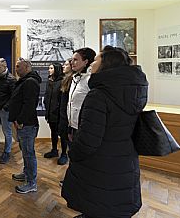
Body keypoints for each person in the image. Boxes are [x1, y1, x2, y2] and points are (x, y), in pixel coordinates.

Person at [61, 46, 148, 218]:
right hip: (124, 159)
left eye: (96, 60)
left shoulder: (99, 95)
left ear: (105, 64)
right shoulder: (134, 91)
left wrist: (74, 153)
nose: (92, 63)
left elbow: (88, 141)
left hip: (100, 162)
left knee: (98, 202)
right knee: (113, 203)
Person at [8, 57, 41, 194]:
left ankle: (32, 183)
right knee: (25, 152)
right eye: (15, 66)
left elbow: (29, 105)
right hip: (22, 124)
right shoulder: (24, 81)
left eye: (18, 67)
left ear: (27, 67)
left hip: (27, 125)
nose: (16, 69)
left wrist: (20, 120)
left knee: (29, 154)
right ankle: (26, 174)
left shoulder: (30, 82)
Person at [67, 48, 96, 143]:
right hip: (73, 127)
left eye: (75, 60)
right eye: (72, 60)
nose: (72, 62)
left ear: (86, 62)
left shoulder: (91, 80)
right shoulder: (74, 78)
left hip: (85, 129)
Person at [43, 63, 65, 161]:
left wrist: (59, 111)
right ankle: (54, 150)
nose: (49, 70)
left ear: (56, 69)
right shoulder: (49, 81)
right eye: (49, 68)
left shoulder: (62, 81)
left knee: (63, 134)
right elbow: (47, 96)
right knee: (53, 132)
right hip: (50, 112)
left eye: (51, 68)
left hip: (59, 114)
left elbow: (62, 99)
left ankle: (64, 154)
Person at [57, 58, 74, 165]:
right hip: (63, 113)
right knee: (63, 135)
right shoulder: (65, 80)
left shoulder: (73, 80)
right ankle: (64, 153)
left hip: (70, 115)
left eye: (66, 64)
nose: (63, 66)